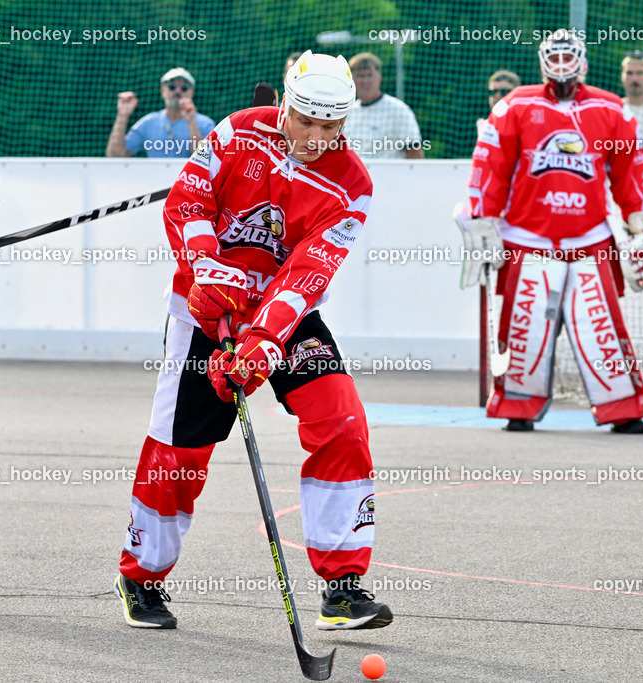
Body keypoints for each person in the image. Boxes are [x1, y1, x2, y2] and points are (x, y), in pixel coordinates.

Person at [115, 50, 392, 633]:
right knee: (182, 452)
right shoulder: (237, 130)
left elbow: (310, 270)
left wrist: (264, 340)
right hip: (203, 306)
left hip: (284, 317)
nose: (316, 138)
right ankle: (142, 573)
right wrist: (206, 269)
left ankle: (342, 586)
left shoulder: (354, 185)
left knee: (342, 421)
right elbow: (188, 202)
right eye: (306, 122)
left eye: (331, 127)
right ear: (285, 106)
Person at [466, 30, 643, 434]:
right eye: (553, 56)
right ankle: (517, 407)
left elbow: (632, 171)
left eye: (568, 55)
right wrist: (483, 218)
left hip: (590, 240)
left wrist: (641, 220)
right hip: (527, 239)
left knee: (601, 329)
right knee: (524, 330)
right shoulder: (514, 105)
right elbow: (490, 167)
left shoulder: (612, 109)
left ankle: (623, 409)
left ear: (583, 60)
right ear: (541, 60)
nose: (561, 64)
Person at [106, 67, 215, 158]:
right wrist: (122, 115)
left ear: (192, 92)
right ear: (163, 90)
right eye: (172, 87)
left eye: (184, 88)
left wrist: (192, 123)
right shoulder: (148, 122)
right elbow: (114, 156)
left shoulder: (205, 124)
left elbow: (206, 159)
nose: (177, 91)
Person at [343, 52, 423, 159]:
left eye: (369, 75)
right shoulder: (347, 112)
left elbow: (415, 153)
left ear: (379, 77)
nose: (365, 81)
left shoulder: (398, 110)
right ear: (352, 80)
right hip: (355, 174)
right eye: (360, 76)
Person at [477, 70, 520, 137]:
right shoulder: (484, 127)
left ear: (516, 94)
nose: (497, 96)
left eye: (503, 92)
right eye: (493, 92)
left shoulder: (524, 126)